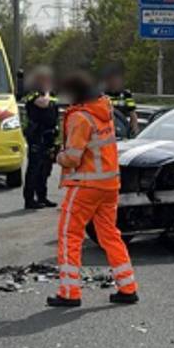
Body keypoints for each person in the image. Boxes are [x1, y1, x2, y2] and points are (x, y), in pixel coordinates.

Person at [48, 72, 138, 309]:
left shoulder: (80, 117)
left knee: (69, 235)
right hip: (109, 185)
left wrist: (57, 156)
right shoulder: (104, 111)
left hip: (86, 185)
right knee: (110, 235)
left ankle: (69, 293)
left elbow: (73, 158)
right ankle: (128, 288)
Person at [20, 66, 60, 210]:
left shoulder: (51, 94)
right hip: (37, 136)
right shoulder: (32, 93)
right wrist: (47, 92)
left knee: (45, 169)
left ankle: (42, 197)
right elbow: (43, 104)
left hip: (49, 136)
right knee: (34, 169)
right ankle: (29, 199)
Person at [101, 65, 138, 137]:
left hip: (122, 126)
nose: (116, 81)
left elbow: (132, 112)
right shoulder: (102, 94)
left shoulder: (126, 94)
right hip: (107, 128)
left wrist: (134, 127)